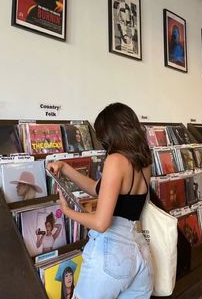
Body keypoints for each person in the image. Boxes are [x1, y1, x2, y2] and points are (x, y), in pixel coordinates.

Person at [47, 102, 153, 299]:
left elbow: (101, 223)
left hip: (111, 253)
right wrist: (64, 167)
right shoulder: (144, 161)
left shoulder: (115, 161)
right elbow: (99, 189)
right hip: (138, 250)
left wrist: (67, 211)